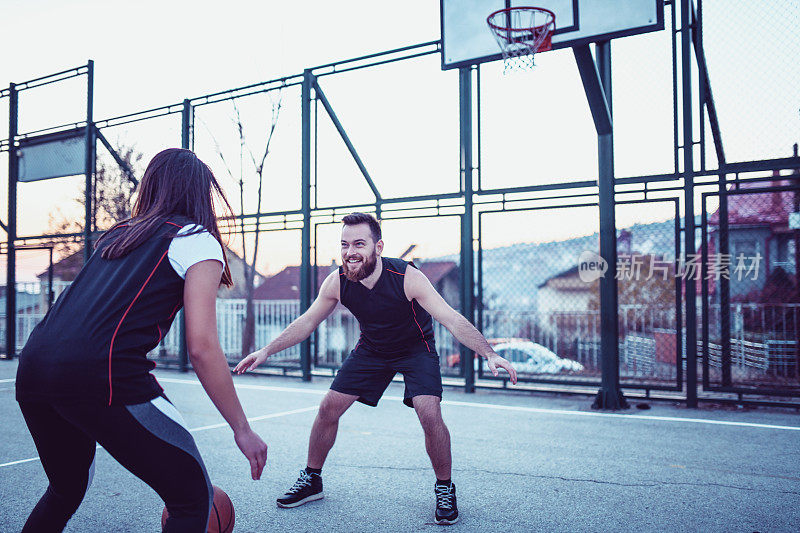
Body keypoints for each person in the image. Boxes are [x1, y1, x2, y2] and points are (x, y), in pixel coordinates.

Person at [15, 148, 268, 533]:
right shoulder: (197, 239)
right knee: (193, 499)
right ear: (203, 194)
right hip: (102, 373)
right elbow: (201, 346)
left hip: (33, 367)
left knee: (64, 489)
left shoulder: (118, 236)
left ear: (151, 187)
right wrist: (242, 428)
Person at [235, 212, 517, 525]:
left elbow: (450, 318)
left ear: (378, 247)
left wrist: (488, 353)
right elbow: (308, 321)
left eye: (359, 243)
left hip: (415, 349)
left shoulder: (407, 277)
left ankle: (445, 488)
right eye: (344, 244)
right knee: (328, 407)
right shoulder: (338, 282)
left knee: (428, 410)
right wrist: (266, 350)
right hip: (372, 349)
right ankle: (312, 479)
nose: (350, 251)